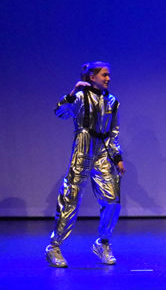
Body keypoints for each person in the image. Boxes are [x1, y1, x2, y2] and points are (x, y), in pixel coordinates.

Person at [45, 61, 125, 267]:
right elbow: (60, 112)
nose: (108, 78)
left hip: (102, 153)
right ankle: (54, 246)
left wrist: (117, 157)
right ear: (92, 77)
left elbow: (113, 133)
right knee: (70, 199)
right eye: (104, 75)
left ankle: (103, 242)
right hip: (82, 152)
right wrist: (72, 92)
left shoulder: (112, 101)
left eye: (109, 75)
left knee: (112, 199)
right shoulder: (80, 97)